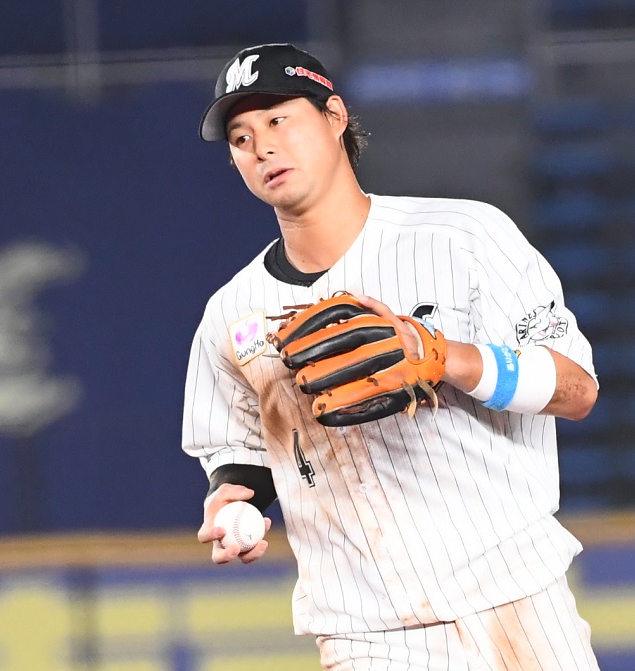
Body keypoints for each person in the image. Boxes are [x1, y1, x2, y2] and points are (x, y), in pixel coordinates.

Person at [182, 42, 601, 671]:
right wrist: (231, 500)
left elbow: (576, 390)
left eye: (278, 120)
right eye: (241, 138)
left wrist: (442, 357)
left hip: (515, 600)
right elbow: (237, 449)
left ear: (335, 117)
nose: (262, 146)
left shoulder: (462, 237)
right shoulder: (231, 313)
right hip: (365, 632)